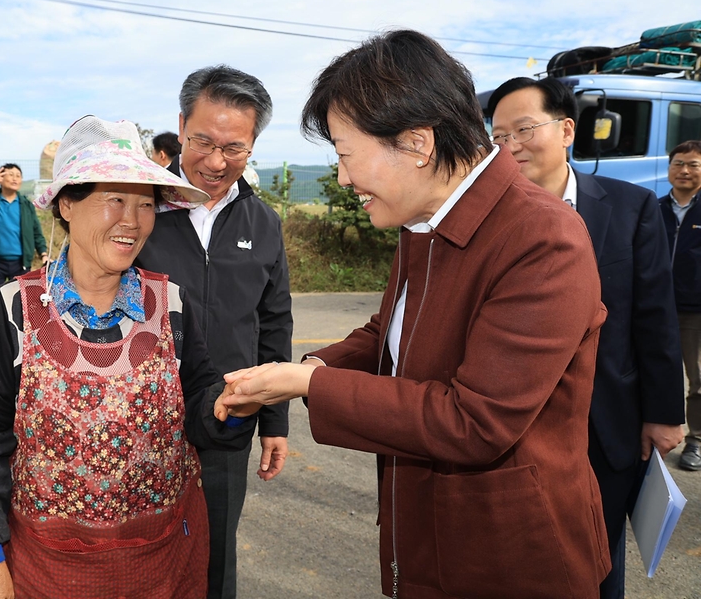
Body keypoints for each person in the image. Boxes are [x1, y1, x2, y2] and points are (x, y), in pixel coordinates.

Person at [216, 30, 611, 598]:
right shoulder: (422, 223)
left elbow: (475, 421)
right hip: (424, 529)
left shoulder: (541, 238)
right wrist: (305, 367)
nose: (344, 178)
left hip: (509, 555)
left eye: (347, 155)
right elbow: (389, 335)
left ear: (417, 143)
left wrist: (309, 383)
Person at [0, 117, 259, 599]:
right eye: (115, 199)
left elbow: (198, 415)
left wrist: (231, 408)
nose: (132, 221)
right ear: (67, 203)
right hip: (46, 573)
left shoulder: (171, 305)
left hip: (160, 568)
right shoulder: (15, 309)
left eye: (145, 204)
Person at [488, 77, 685, 599]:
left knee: (598, 556)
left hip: (607, 422)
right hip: (515, 424)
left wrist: (664, 414)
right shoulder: (488, 217)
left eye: (524, 129)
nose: (510, 146)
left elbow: (654, 317)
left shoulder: (631, 207)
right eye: (498, 136)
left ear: (567, 129)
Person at [135, 65, 291, 599]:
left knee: (214, 557)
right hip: (136, 422)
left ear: (252, 146)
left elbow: (273, 324)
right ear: (180, 126)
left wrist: (275, 418)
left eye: (235, 147)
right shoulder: (139, 207)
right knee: (136, 554)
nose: (216, 161)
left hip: (230, 416)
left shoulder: (263, 223)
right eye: (203, 140)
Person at [659, 140, 701, 471]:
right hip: (656, 307)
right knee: (656, 371)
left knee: (696, 378)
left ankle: (695, 441)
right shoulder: (653, 207)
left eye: (693, 165)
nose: (684, 170)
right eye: (678, 163)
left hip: (694, 311)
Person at [0, 163, 48, 304]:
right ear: (1, 177)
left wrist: (43, 254)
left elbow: (36, 231)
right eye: (10, 175)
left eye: (18, 176)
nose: (14, 179)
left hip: (20, 264)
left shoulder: (26, 205)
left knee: (19, 304)